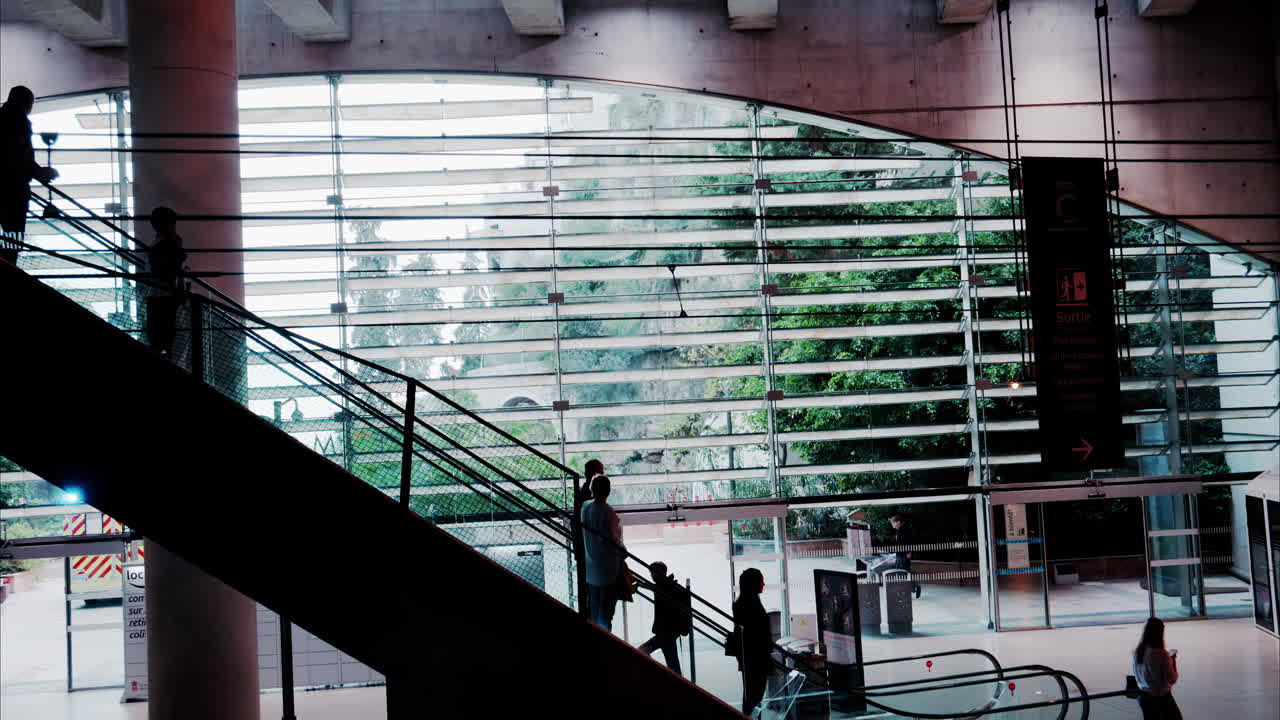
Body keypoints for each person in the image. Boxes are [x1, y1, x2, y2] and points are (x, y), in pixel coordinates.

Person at [0, 86, 58, 265]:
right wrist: (40, 172)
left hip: (4, 185)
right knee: (13, 237)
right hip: (13, 189)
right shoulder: (19, 121)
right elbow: (19, 156)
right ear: (26, 102)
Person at [581, 475, 625, 631]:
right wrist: (623, 551)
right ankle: (605, 643)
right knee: (606, 613)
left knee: (594, 609)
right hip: (608, 570)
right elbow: (613, 540)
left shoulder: (585, 507)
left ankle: (595, 641)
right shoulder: (608, 512)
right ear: (608, 490)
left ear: (591, 489)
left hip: (591, 569)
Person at [143, 207, 188, 357]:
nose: (174, 226)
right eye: (172, 223)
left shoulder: (161, 243)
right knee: (169, 337)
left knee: (160, 338)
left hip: (159, 294)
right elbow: (166, 272)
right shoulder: (169, 243)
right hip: (165, 295)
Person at [733, 567, 774, 716]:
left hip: (750, 657)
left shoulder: (743, 603)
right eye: (761, 581)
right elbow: (757, 633)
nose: (763, 584)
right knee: (755, 695)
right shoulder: (751, 605)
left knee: (751, 695)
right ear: (753, 584)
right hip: (756, 658)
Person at [638, 561, 689, 675]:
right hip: (669, 632)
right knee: (672, 662)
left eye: (654, 573)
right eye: (651, 574)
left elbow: (651, 587)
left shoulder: (665, 588)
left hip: (666, 632)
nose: (652, 576)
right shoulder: (668, 586)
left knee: (643, 650)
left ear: (662, 573)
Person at [1133, 617, 1182, 720]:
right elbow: (1172, 678)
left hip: (1143, 697)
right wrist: (1172, 660)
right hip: (1161, 698)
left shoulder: (1137, 652)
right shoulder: (1161, 654)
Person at [889, 514, 922, 599]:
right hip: (901, 555)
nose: (892, 524)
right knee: (905, 572)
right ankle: (914, 587)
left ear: (898, 522)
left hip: (903, 555)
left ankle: (904, 591)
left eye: (893, 522)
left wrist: (908, 552)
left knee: (901, 573)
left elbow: (908, 542)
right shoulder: (899, 530)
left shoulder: (904, 530)